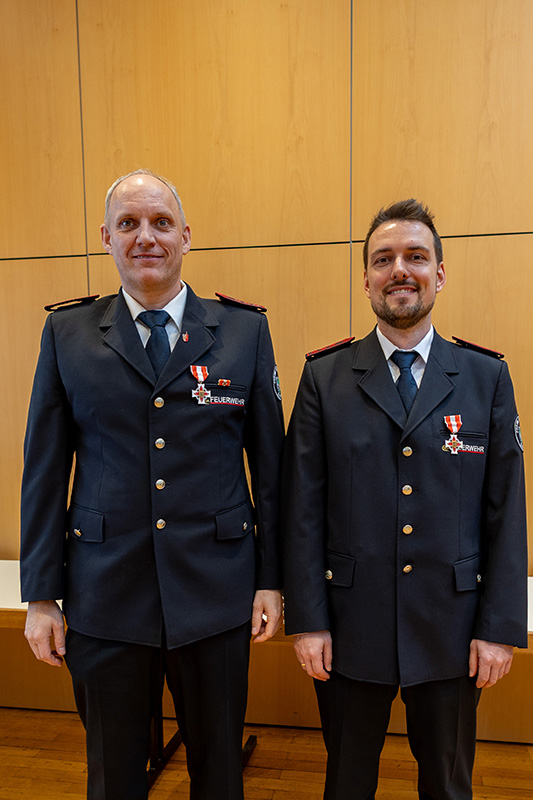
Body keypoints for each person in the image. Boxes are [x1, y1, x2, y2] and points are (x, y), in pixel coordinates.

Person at [21, 169, 284, 800]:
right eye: (129, 224)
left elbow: (272, 471)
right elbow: (45, 471)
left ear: (185, 236)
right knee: (113, 777)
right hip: (105, 594)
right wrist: (41, 595)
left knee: (218, 775)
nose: (146, 237)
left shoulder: (243, 331)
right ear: (106, 237)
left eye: (161, 223)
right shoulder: (67, 333)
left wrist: (272, 580)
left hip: (216, 593)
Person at [282, 199, 528, 800]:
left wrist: (499, 627)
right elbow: (301, 512)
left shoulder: (486, 377)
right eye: (383, 259)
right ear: (366, 278)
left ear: (439, 274)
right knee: (347, 782)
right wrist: (308, 621)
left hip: (452, 627)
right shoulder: (324, 378)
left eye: (416, 257)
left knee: (447, 784)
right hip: (350, 626)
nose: (400, 270)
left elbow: (506, 511)